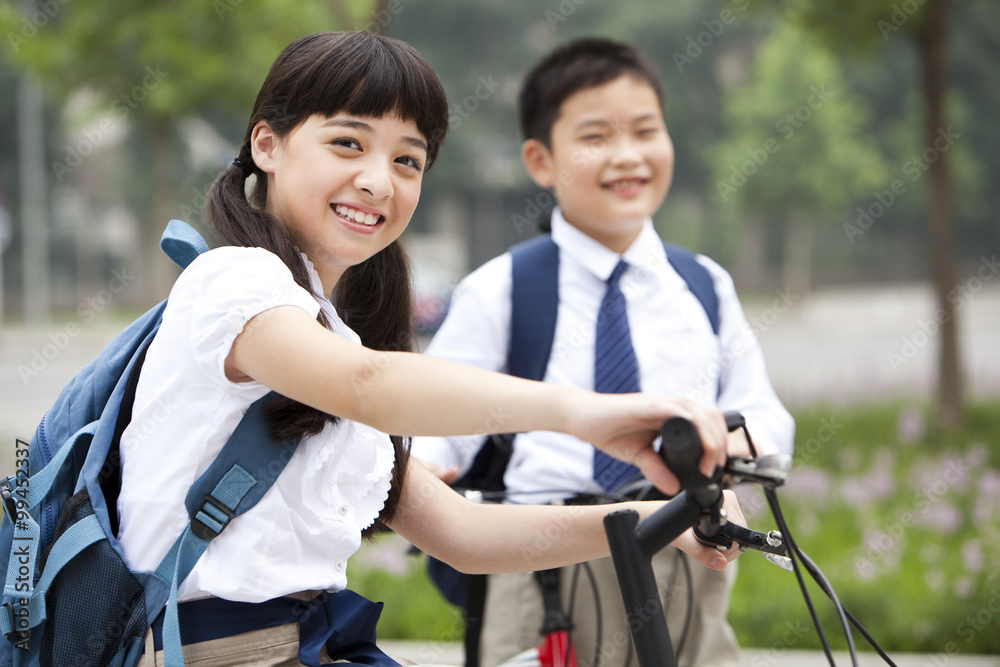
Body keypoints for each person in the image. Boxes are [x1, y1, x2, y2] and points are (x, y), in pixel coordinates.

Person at [114, 31, 743, 667]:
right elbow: (369, 385)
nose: (377, 181)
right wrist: (579, 411)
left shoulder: (331, 339)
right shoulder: (234, 281)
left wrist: (649, 518)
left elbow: (462, 534)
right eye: (347, 143)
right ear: (267, 145)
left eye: (407, 161)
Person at [411, 37, 795, 667]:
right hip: (547, 571)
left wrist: (722, 447)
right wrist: (424, 464)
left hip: (687, 557)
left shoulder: (703, 284)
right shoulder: (503, 288)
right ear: (540, 159)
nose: (627, 155)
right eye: (595, 136)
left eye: (646, 131)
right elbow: (440, 416)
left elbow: (763, 414)